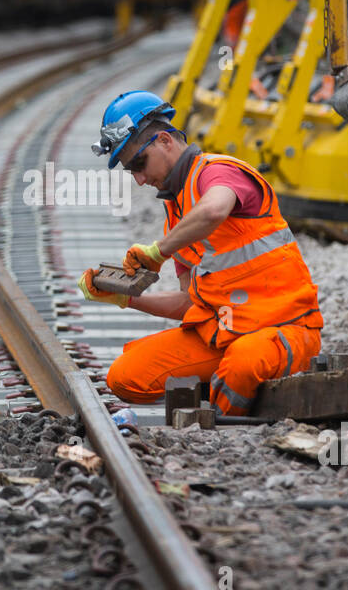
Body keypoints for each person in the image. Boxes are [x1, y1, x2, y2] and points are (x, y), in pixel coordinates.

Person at [82, 91, 323, 416]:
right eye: (130, 171)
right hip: (224, 333)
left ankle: (228, 425)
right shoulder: (176, 213)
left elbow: (213, 211)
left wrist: (160, 251)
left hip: (283, 328)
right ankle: (237, 385)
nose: (139, 180)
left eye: (139, 163)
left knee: (243, 361)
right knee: (126, 377)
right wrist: (125, 298)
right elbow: (191, 303)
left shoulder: (218, 171)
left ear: (165, 141)